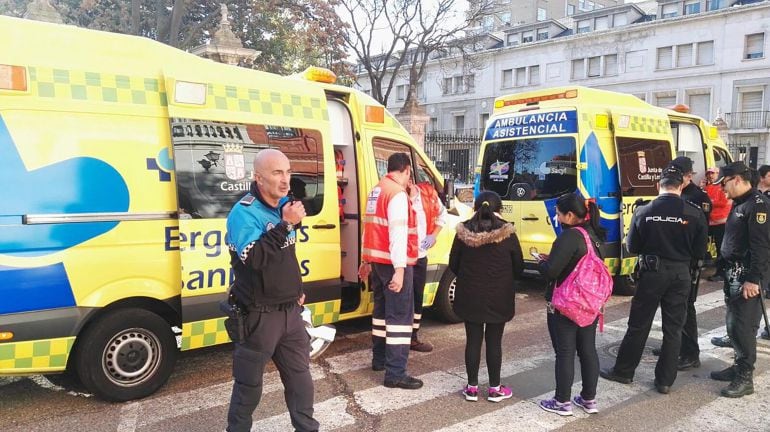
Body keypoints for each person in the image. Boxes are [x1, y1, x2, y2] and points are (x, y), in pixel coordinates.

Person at [224, 149, 318, 432]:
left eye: (288, 172)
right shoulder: (244, 212)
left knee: (302, 383)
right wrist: (286, 224)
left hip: (290, 313)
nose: (285, 180)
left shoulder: (283, 206)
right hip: (259, 316)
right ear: (258, 177)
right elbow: (255, 259)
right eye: (277, 173)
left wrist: (297, 290)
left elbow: (286, 256)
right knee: (248, 388)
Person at [600, 166, 708, 395]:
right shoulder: (695, 212)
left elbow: (632, 247)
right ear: (681, 186)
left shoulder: (644, 210)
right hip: (681, 274)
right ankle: (665, 381)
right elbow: (700, 251)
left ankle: (624, 372)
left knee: (638, 325)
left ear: (658, 185)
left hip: (652, 273)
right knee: (674, 329)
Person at [449, 191, 523, 403]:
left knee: (472, 340)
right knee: (494, 342)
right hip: (498, 297)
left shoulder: (463, 232)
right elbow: (518, 267)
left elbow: (454, 264)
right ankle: (494, 388)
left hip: (470, 296)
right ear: (499, 209)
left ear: (475, 207)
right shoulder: (507, 233)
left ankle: (471, 388)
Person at [537, 194, 605, 416]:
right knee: (587, 350)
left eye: (558, 213)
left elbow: (552, 272)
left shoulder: (569, 237)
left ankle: (562, 402)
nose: (556, 217)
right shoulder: (593, 235)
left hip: (567, 305)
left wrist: (542, 263)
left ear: (570, 215)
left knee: (565, 352)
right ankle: (588, 399)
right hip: (590, 303)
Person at [359, 152, 423, 389]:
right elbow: (397, 233)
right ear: (406, 170)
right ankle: (395, 373)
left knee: (381, 312)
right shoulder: (396, 194)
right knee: (399, 317)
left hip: (377, 262)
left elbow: (369, 228)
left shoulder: (377, 190)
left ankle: (379, 359)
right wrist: (400, 269)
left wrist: (365, 260)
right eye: (409, 176)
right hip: (394, 263)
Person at [708, 161, 770, 398]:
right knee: (733, 324)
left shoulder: (758, 205)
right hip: (734, 273)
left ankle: (745, 378)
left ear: (736, 179)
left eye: (724, 183)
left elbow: (761, 247)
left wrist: (754, 279)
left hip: (746, 277)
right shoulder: (740, 203)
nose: (722, 189)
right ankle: (737, 367)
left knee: (743, 327)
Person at [653, 157, 711, 371]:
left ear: (689, 176)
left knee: (687, 309)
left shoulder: (698, 197)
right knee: (670, 309)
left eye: (680, 175)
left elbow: (700, 235)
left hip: (687, 264)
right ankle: (672, 346)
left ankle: (690, 352)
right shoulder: (674, 193)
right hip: (670, 263)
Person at [407, 179, 448, 352]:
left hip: (420, 256)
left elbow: (442, 215)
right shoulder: (395, 196)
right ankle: (399, 339)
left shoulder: (428, 194)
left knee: (417, 296)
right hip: (402, 258)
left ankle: (413, 337)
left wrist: (433, 235)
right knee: (402, 299)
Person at [703, 166, 731, 283]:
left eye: (713, 173)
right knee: (703, 242)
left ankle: (721, 272)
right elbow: (705, 202)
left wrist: (711, 202)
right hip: (710, 221)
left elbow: (724, 202)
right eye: (708, 173)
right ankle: (708, 260)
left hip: (721, 222)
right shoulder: (708, 187)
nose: (710, 175)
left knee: (721, 248)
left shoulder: (722, 187)